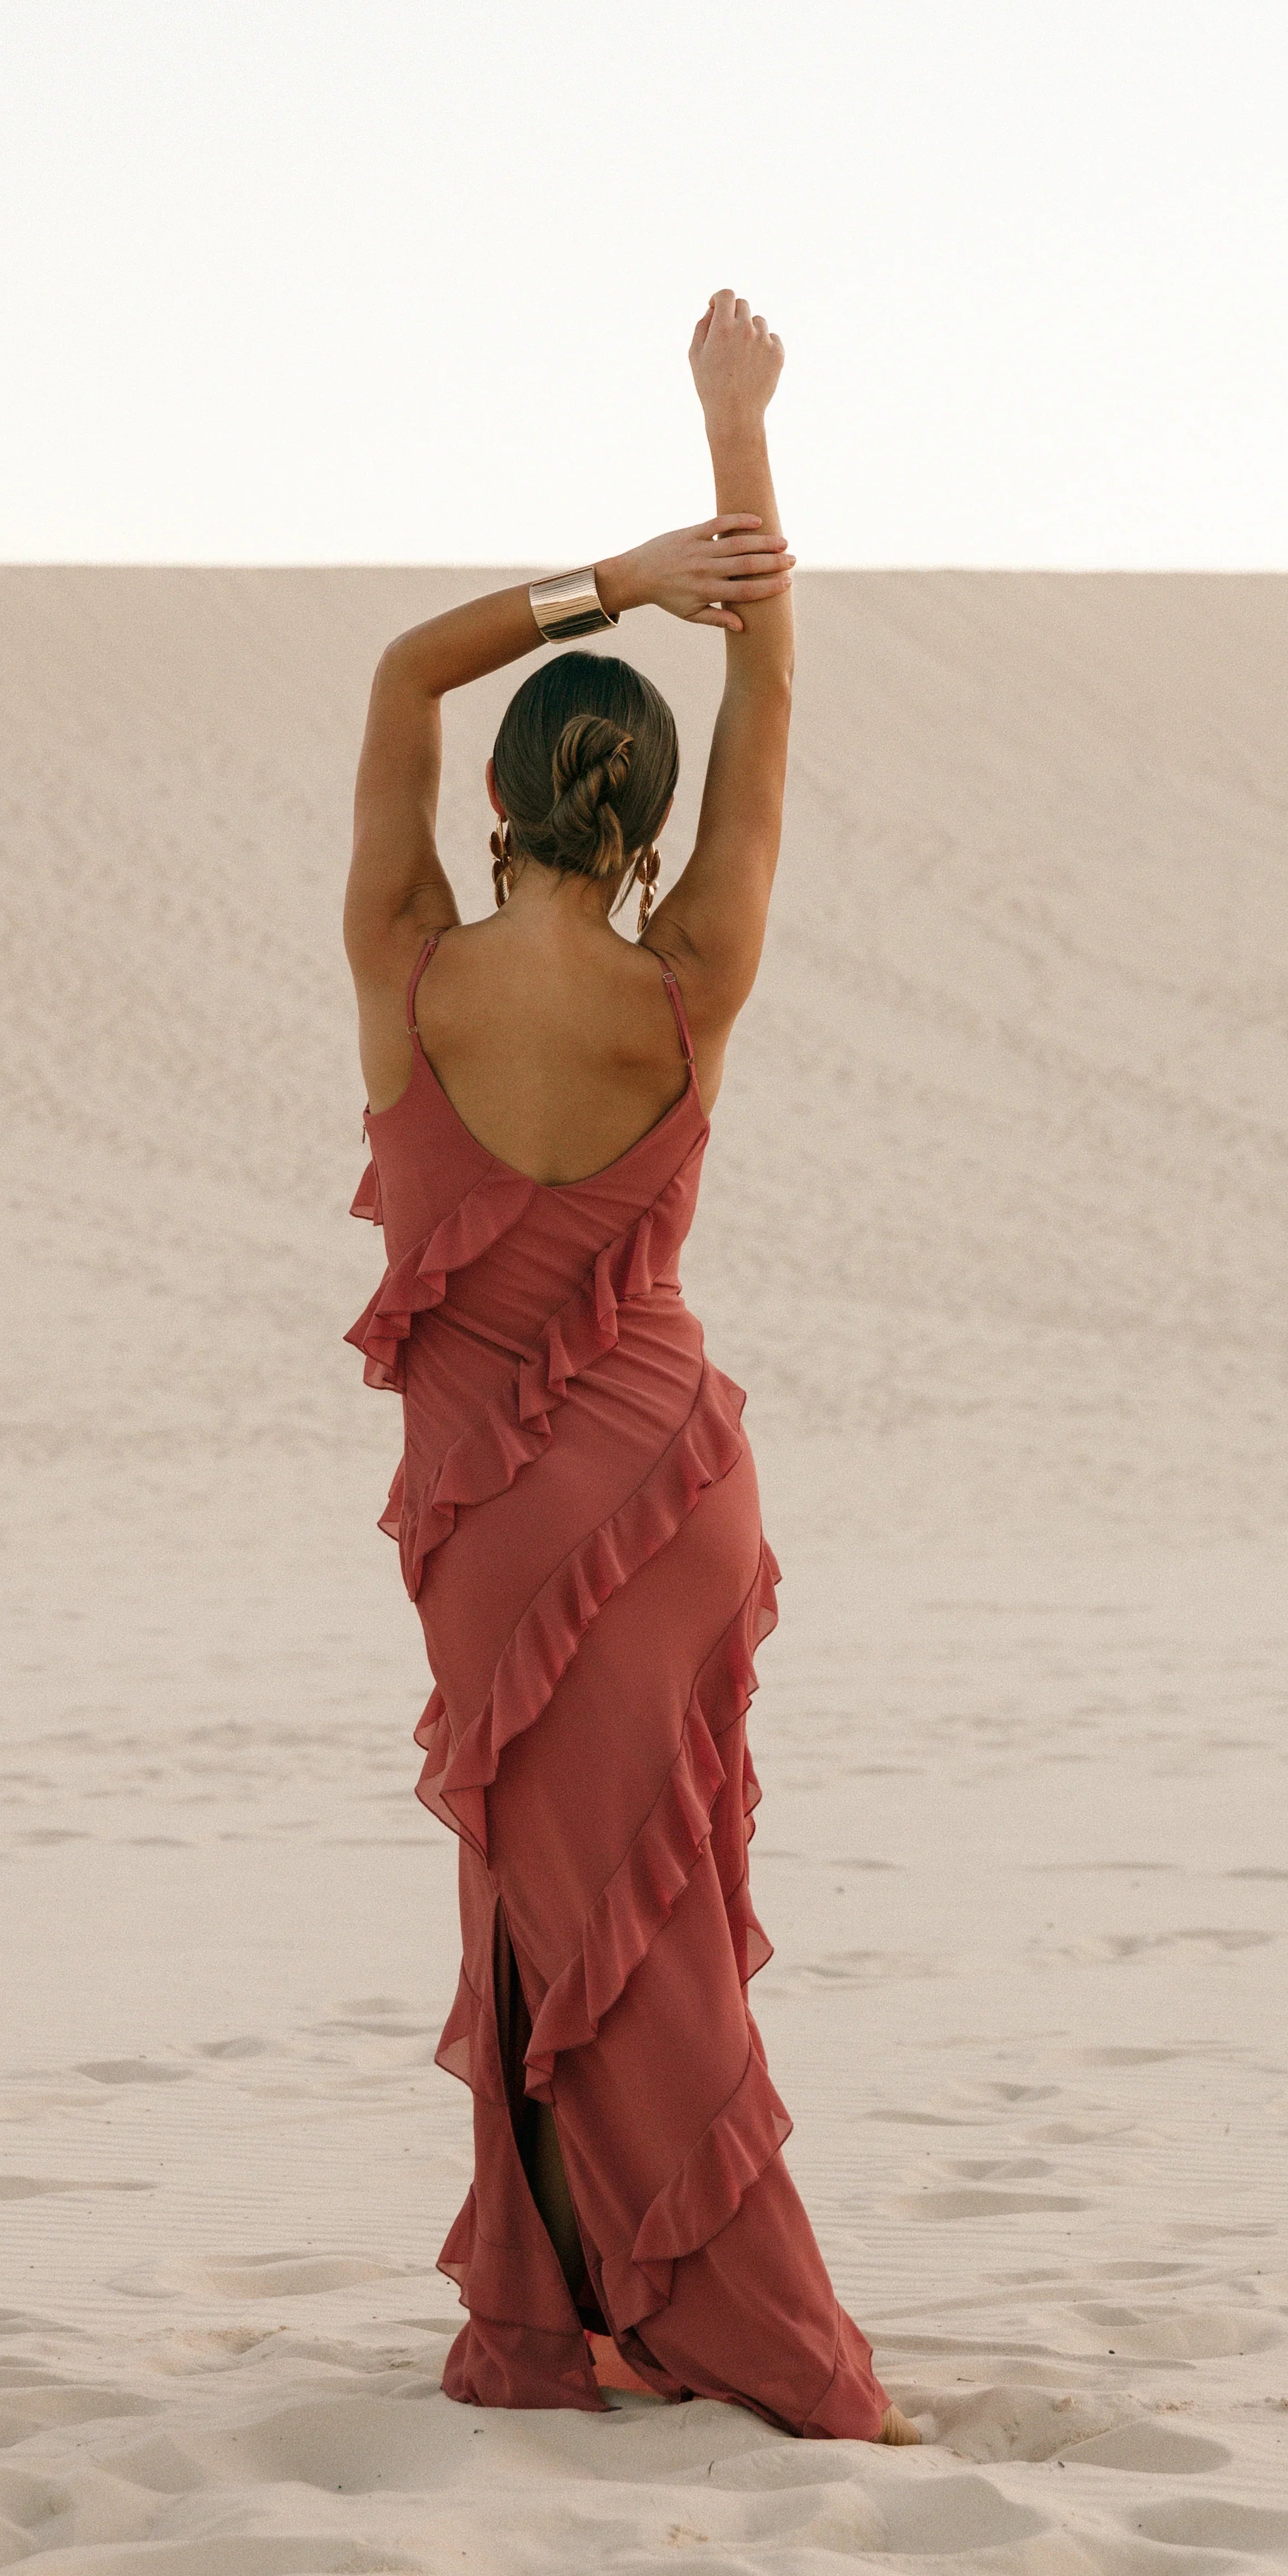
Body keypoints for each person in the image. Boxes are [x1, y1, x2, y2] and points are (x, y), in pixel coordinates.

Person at [342, 291, 919, 2444]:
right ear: (648, 819)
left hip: (504, 1520)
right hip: (671, 1487)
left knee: (561, 1914)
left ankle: (763, 2343)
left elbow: (400, 671)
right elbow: (777, 689)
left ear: (495, 797)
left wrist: (618, 577)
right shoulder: (695, 971)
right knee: (636, 1910)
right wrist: (736, 441)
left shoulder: (404, 964)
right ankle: (598, 2303)